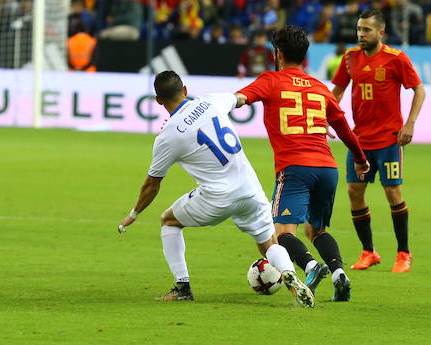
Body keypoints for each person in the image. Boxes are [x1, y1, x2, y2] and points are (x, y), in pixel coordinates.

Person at [116, 71, 315, 307]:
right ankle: (289, 273)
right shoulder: (210, 101)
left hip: (217, 198)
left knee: (169, 220)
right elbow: (240, 98)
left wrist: (134, 214)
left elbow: (152, 183)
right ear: (186, 90)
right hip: (250, 190)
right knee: (269, 243)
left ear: (158, 101)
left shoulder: (167, 136)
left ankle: (182, 287)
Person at [235, 26, 370, 302]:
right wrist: (360, 159)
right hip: (327, 169)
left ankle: (310, 266)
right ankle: (338, 273)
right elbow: (344, 128)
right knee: (316, 230)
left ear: (279, 54)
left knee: (281, 233)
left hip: (295, 169)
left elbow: (240, 98)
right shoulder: (321, 88)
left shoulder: (271, 81)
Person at [330, 9, 426, 273]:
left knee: (392, 192)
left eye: (367, 30)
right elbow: (337, 90)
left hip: (389, 139)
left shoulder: (396, 59)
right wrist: (323, 117)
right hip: (358, 140)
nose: (361, 34)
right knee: (354, 192)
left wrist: (409, 124)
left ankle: (403, 253)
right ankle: (368, 251)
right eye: (359, 29)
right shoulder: (350, 57)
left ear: (381, 32)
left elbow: (419, 89)